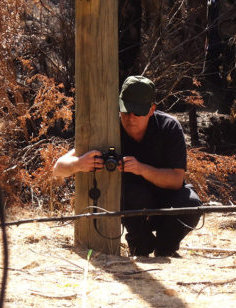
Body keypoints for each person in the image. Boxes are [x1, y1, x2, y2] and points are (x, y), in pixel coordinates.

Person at [53, 75, 202, 257]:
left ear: (151, 110)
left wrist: (141, 169)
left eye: (138, 112)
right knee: (132, 195)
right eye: (125, 110)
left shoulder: (169, 127)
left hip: (167, 202)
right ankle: (140, 246)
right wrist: (79, 164)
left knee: (191, 204)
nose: (130, 117)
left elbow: (177, 181)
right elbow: (58, 168)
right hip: (132, 205)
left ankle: (166, 248)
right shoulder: (107, 129)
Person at [202, 0, 236, 109]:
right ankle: (221, 99)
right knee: (208, 71)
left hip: (231, 32)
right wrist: (207, 37)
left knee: (231, 71)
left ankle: (228, 106)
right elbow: (210, 10)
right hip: (214, 34)